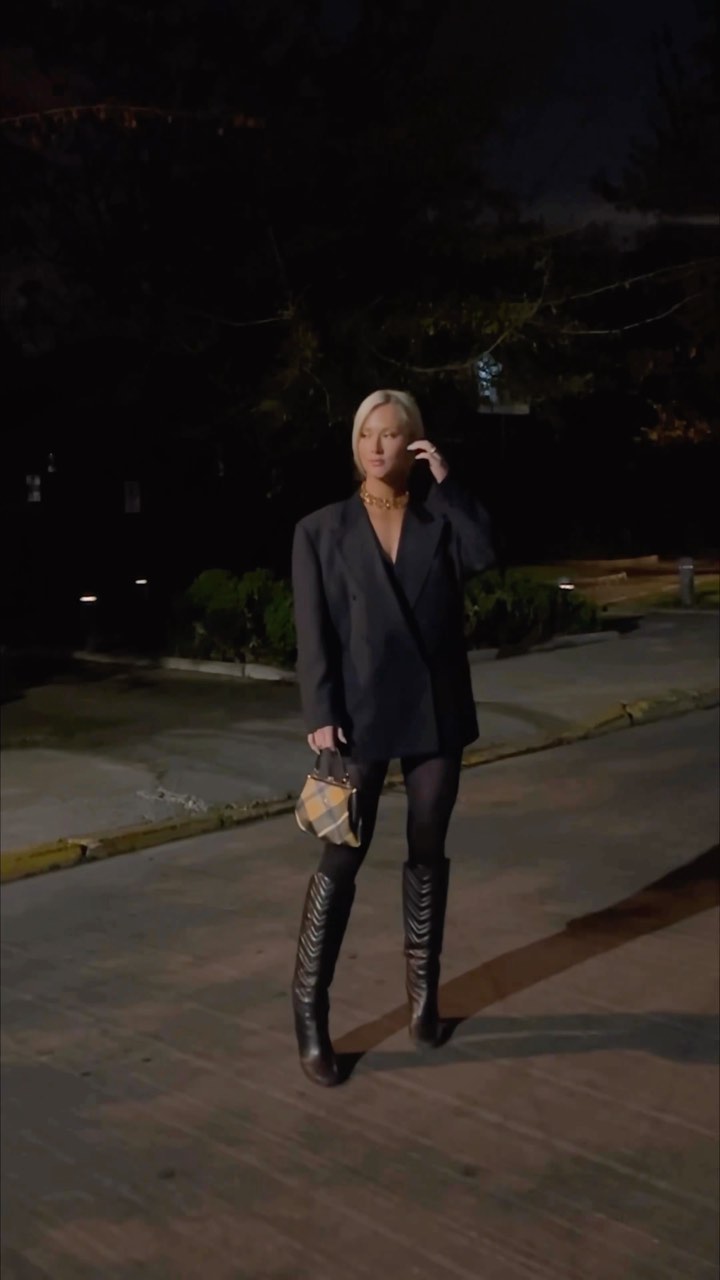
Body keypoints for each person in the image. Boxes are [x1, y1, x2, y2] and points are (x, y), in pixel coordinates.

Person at [291, 389, 494, 1086]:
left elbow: (485, 556)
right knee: (341, 858)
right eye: (366, 434)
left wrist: (448, 482)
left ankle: (423, 1002)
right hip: (358, 716)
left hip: (437, 710)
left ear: (414, 442)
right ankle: (310, 1014)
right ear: (355, 445)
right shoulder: (320, 529)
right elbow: (313, 632)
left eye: (391, 434)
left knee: (428, 851)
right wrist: (320, 709)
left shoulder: (439, 517)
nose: (377, 446)